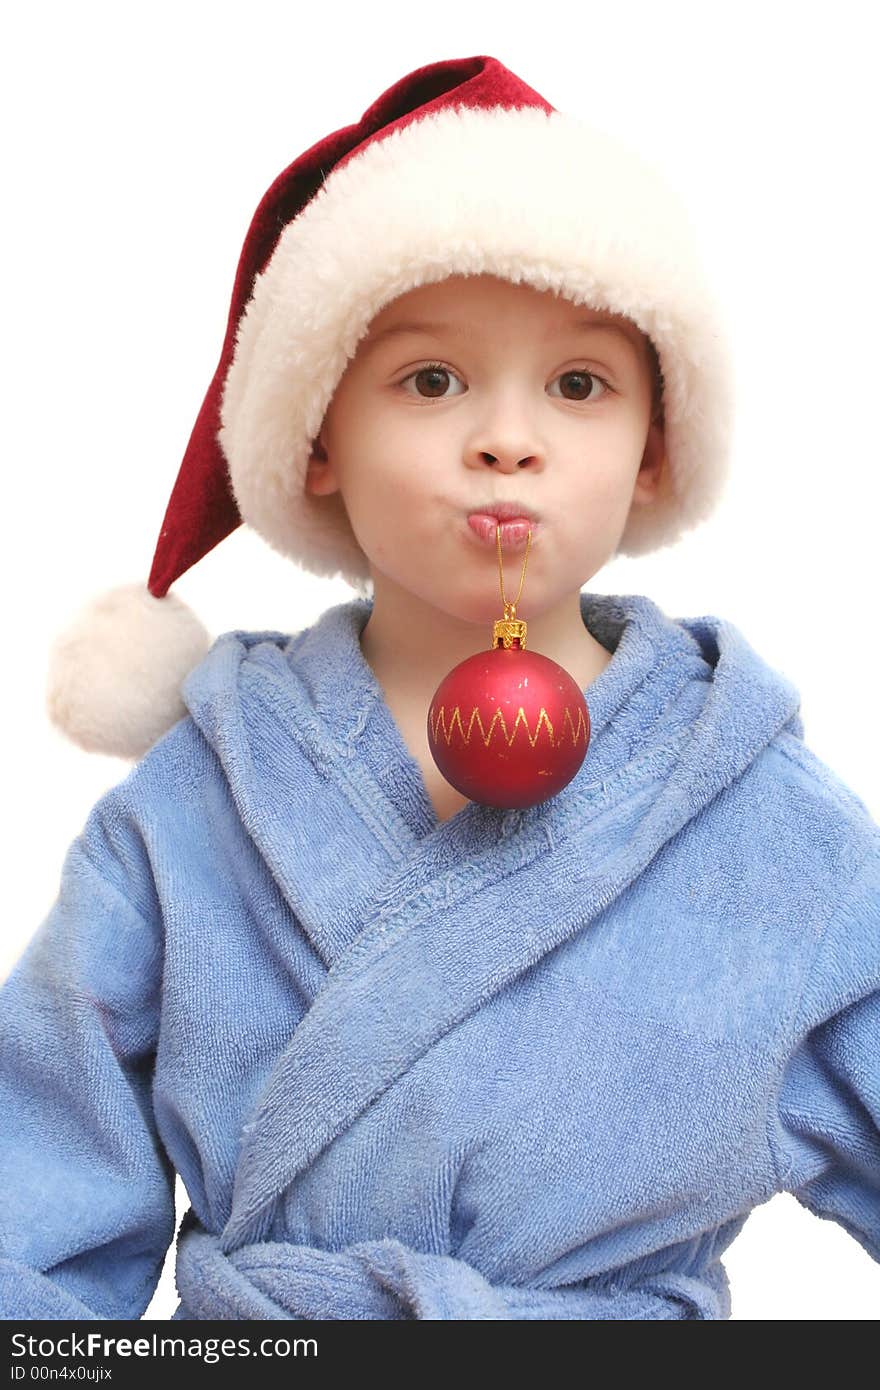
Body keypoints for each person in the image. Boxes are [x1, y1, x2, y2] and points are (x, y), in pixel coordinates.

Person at [1, 53, 877, 1322]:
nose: (506, 437)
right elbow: (34, 1197)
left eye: (580, 385)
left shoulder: (761, 824)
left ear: (654, 447)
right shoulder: (197, 803)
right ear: (312, 441)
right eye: (430, 380)